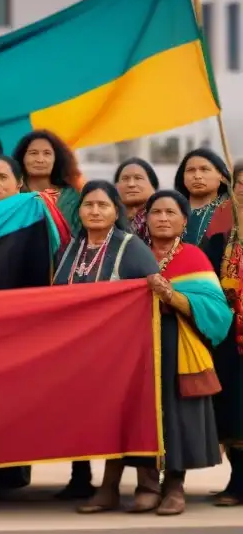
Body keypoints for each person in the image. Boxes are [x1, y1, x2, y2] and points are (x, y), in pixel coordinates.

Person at [79, 190, 229, 516]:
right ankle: (137, 487)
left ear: (183, 221)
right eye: (155, 212)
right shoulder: (131, 252)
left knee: (174, 416)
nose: (162, 218)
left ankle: (174, 488)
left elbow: (217, 310)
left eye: (170, 212)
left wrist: (171, 296)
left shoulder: (194, 257)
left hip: (176, 345)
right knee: (132, 413)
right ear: (144, 219)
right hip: (132, 347)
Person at [52, 181, 161, 502]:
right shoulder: (69, 248)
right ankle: (89, 481)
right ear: (79, 211)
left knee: (129, 416)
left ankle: (147, 484)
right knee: (82, 414)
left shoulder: (132, 247)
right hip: (78, 353)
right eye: (89, 205)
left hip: (123, 353)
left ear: (116, 211)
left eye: (103, 205)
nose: (95, 211)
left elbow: (150, 296)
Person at [200, 183, 243, 506]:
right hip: (230, 336)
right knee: (234, 409)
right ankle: (238, 481)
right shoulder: (219, 235)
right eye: (241, 184)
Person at [12, 129, 82, 236]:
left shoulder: (72, 197)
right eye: (33, 153)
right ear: (22, 158)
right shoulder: (12, 196)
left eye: (47, 153)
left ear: (56, 158)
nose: (40, 159)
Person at [174, 148, 231, 245]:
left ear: (222, 176)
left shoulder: (232, 211)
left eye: (204, 169)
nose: (197, 176)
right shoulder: (169, 210)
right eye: (190, 170)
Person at [115, 157, 159, 241]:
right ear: (116, 186)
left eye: (138, 178)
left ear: (153, 186)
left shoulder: (165, 219)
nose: (131, 184)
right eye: (125, 178)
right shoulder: (107, 220)